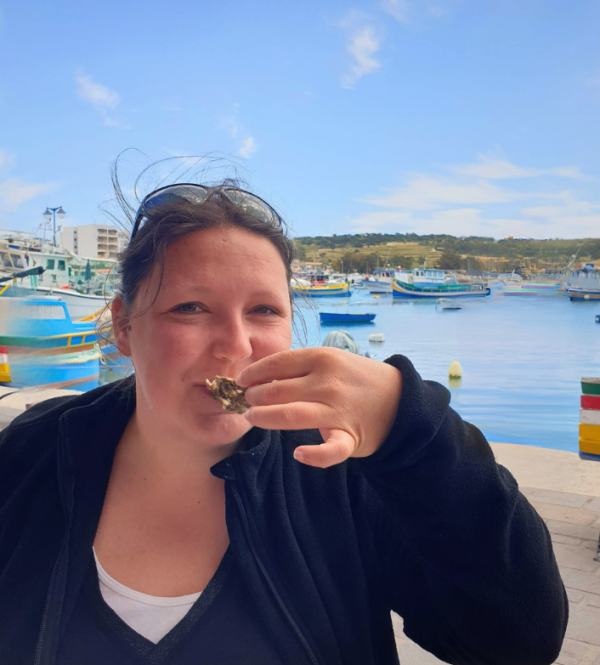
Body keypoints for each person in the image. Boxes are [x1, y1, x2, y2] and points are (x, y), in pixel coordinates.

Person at [0, 180, 567, 665]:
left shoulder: (341, 471)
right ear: (124, 328)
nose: (235, 347)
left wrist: (410, 428)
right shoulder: (31, 453)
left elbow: (518, 639)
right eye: (190, 308)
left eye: (264, 311)